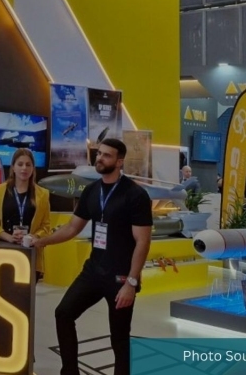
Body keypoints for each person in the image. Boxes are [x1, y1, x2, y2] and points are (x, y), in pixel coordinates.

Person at [31, 139, 152, 375]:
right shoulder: (91, 191)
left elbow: (143, 241)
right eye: (99, 154)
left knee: (119, 337)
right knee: (63, 313)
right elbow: (72, 227)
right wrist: (43, 241)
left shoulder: (135, 194)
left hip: (121, 276)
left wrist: (131, 282)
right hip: (94, 270)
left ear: (119, 161)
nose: (100, 158)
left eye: (107, 155)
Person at [0, 149, 51, 277]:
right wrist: (9, 237)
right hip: (3, 252)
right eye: (20, 164)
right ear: (13, 168)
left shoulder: (42, 195)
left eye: (28, 164)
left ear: (33, 168)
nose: (24, 168)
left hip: (31, 254)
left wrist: (33, 237)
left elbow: (46, 226)